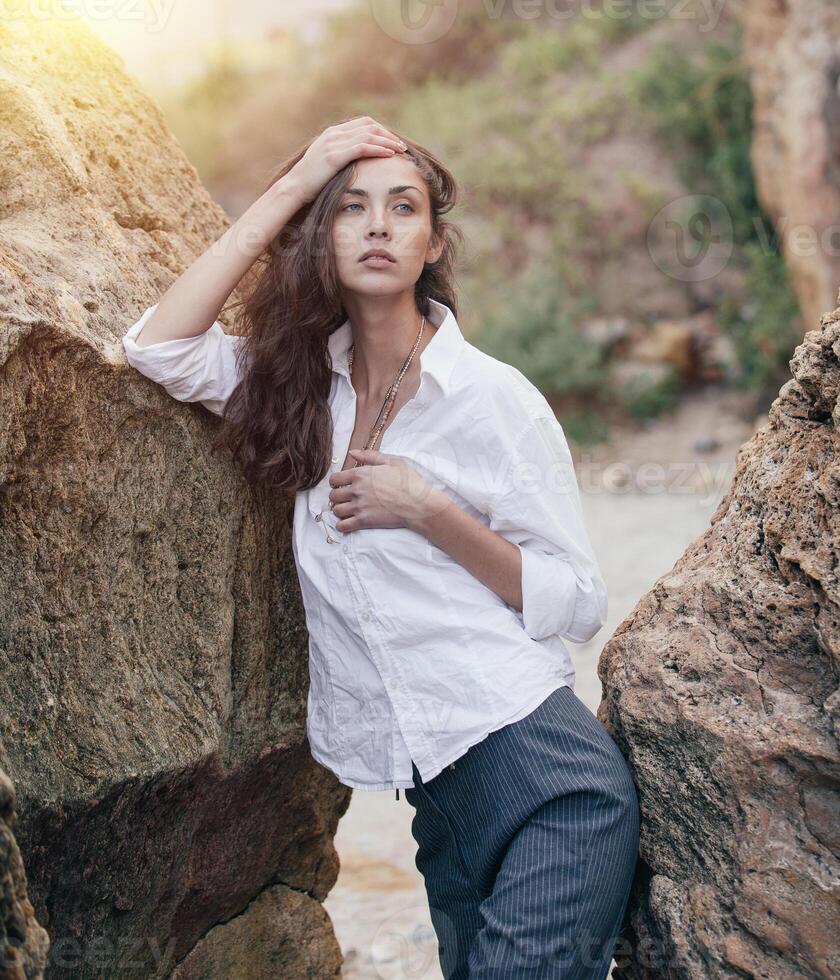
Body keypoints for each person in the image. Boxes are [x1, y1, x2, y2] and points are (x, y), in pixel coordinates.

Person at [122, 115, 640, 979]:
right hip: (442, 802)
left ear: (433, 240)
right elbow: (159, 348)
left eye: (403, 208)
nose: (377, 226)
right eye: (350, 208)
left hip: (552, 781)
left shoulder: (491, 400)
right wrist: (294, 184)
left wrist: (432, 511)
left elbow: (579, 600)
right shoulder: (298, 387)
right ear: (320, 238)